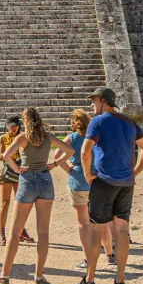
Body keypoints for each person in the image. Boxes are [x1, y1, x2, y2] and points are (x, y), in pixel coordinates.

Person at [75, 87, 143, 284]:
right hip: (126, 183)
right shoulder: (129, 122)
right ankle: (119, 281)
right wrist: (134, 172)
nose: (92, 106)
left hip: (104, 181)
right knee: (121, 232)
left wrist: (87, 175)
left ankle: (89, 281)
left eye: (94, 102)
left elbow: (85, 150)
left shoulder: (98, 121)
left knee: (96, 230)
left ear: (103, 101)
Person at [0, 107, 73, 284]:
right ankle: (39, 275)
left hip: (27, 179)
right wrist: (56, 164)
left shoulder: (22, 138)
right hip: (45, 178)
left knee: (14, 232)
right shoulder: (47, 136)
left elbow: (5, 156)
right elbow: (69, 150)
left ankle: (4, 274)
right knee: (43, 232)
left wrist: (17, 169)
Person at [52, 109, 118, 271]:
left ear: (73, 124)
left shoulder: (71, 138)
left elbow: (56, 156)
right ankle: (110, 255)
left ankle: (88, 258)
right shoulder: (96, 137)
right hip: (96, 180)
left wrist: (69, 169)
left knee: (83, 223)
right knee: (101, 221)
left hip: (78, 181)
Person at [0, 115, 35, 247]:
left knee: (20, 202)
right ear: (7, 126)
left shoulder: (23, 137)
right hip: (8, 171)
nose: (13, 128)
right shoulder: (3, 138)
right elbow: (0, 156)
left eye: (15, 126)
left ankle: (20, 230)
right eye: (11, 126)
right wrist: (10, 151)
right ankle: (1, 232)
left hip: (20, 170)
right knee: (5, 203)